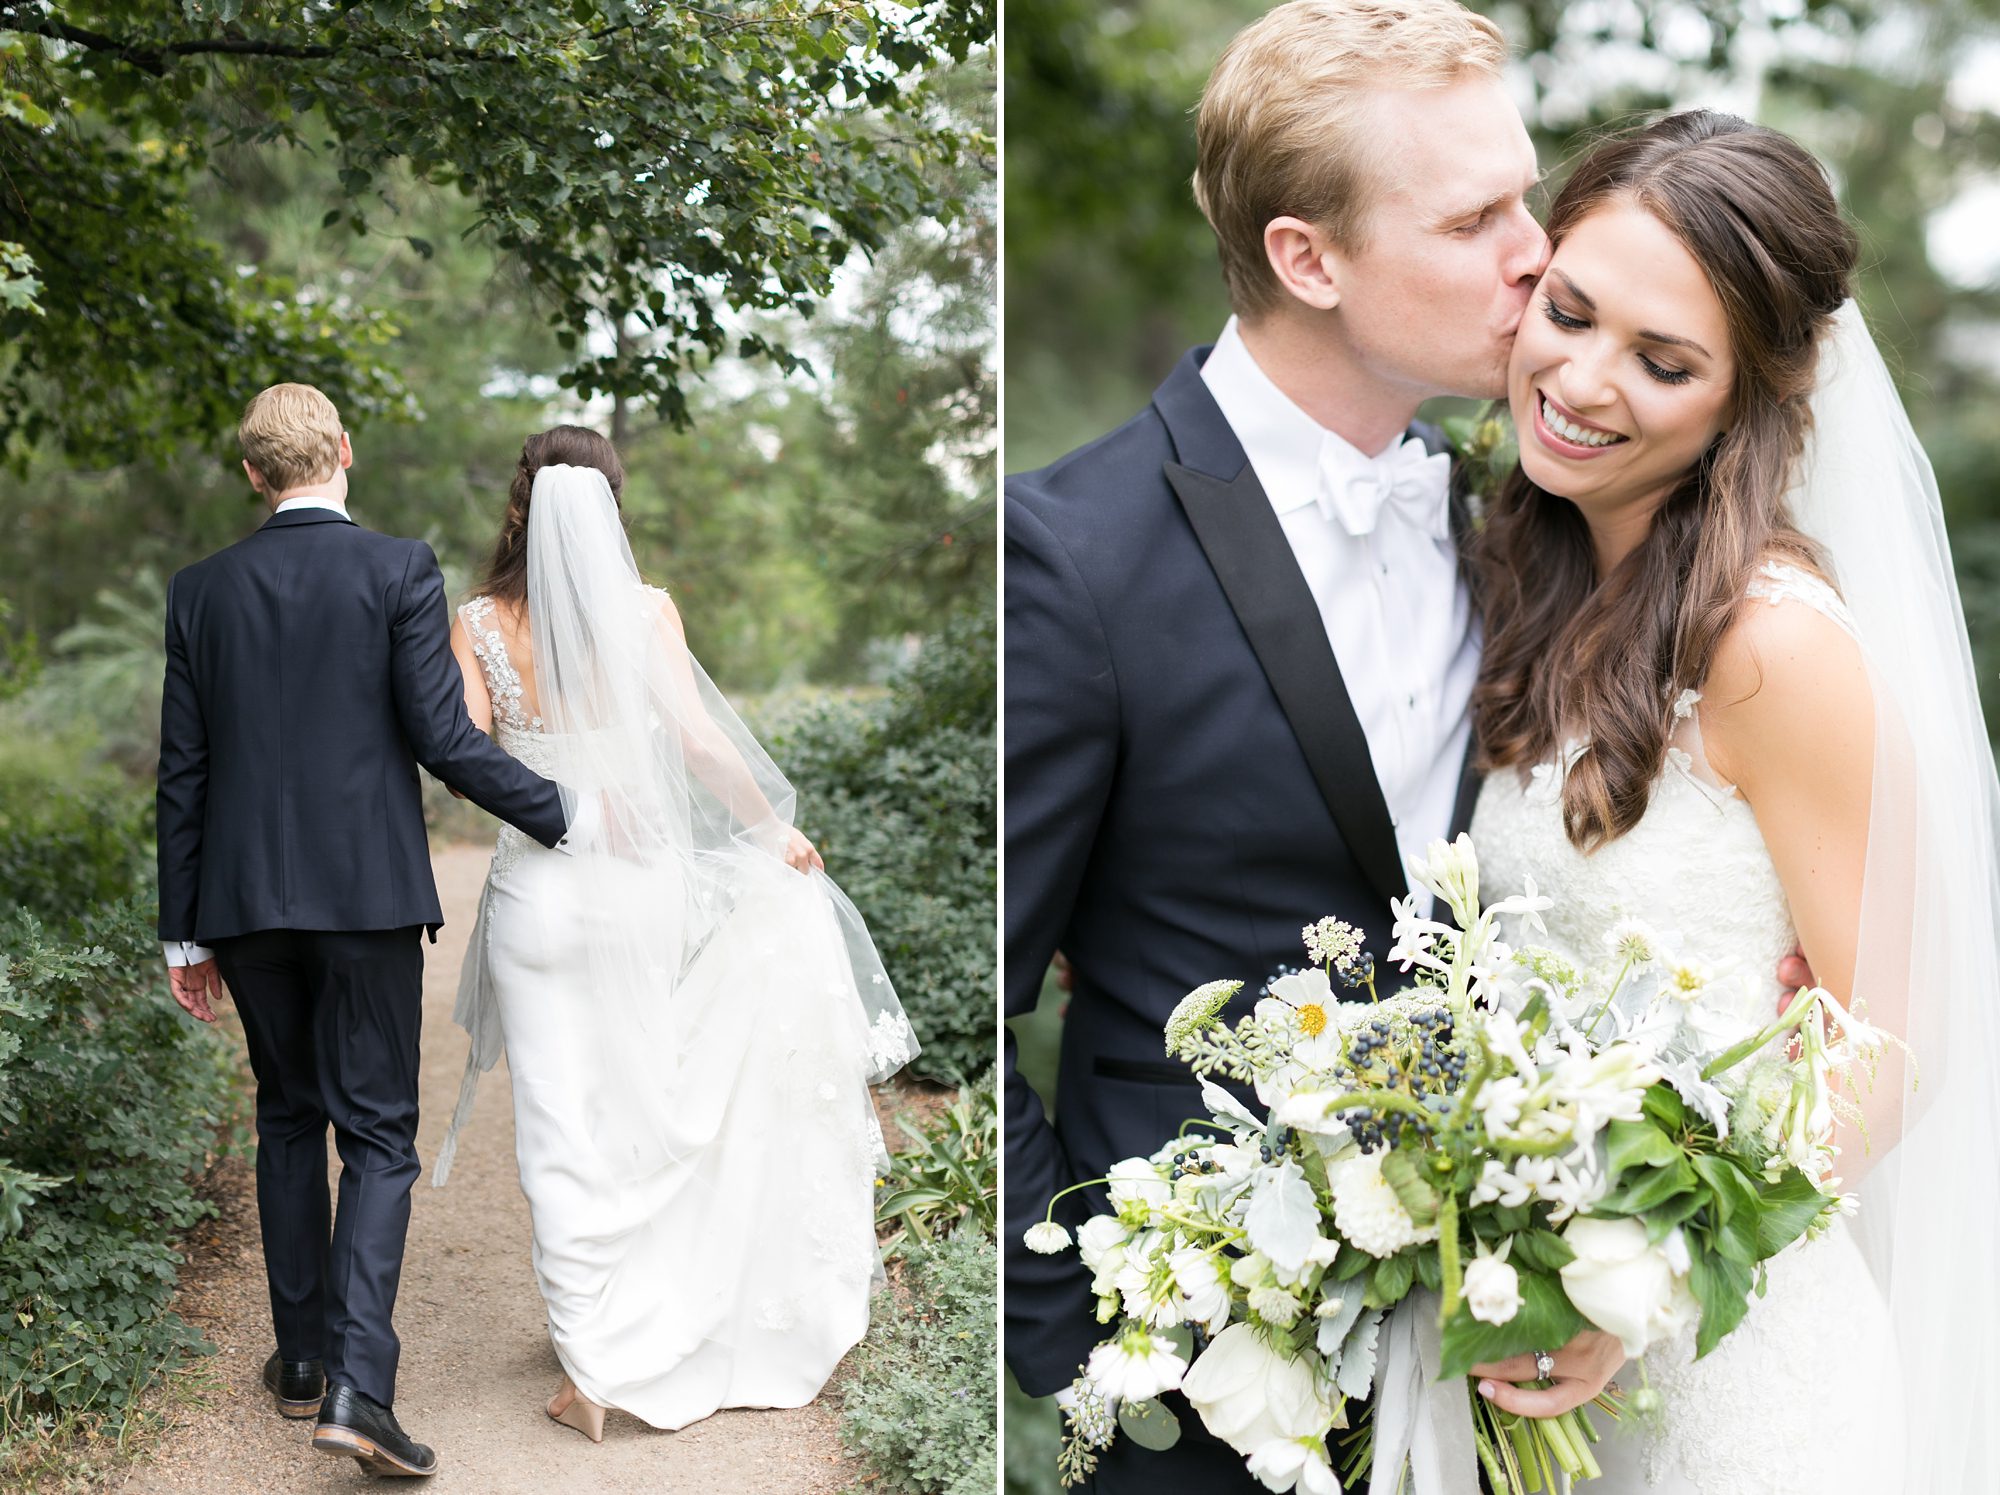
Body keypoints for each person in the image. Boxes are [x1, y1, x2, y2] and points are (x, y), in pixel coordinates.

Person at [1002, 4, 1544, 1487]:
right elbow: (955, 1011)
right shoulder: (1070, 555)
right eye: (1477, 216)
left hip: (1500, 1365)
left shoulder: (1525, 518)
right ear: (1310, 258)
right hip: (1197, 1394)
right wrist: (1093, 1332)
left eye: (1529, 195)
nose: (1537, 253)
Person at [1467, 109, 2000, 1492]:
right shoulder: (1546, 576)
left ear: (1753, 391)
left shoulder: (1768, 647)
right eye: (1570, 312)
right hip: (1546, 1372)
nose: (1581, 379)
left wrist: (1630, 1282)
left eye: (1663, 360)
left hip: (1741, 1380)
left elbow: (1896, 1037)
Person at [433, 426, 918, 1441]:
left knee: (556, 1126)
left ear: (517, 503)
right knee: (637, 1103)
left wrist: (547, 790)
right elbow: (698, 741)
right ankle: (631, 1325)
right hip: (639, 886)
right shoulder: (645, 613)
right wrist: (769, 828)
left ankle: (591, 1364)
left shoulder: (476, 622)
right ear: (609, 508)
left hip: (537, 891)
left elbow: (466, 754)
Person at [157, 383, 587, 1477]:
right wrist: (563, 810)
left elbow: (184, 773)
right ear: (344, 450)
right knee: (379, 1137)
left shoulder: (199, 591)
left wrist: (181, 933)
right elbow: (443, 738)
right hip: (367, 900)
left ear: (254, 473)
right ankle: (360, 1387)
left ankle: (300, 1360)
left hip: (244, 906)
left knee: (289, 1118)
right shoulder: (397, 568)